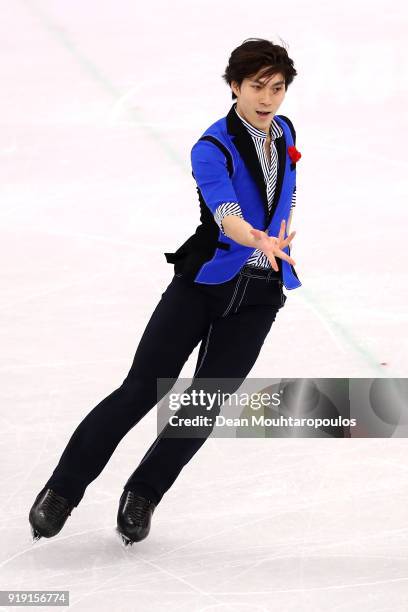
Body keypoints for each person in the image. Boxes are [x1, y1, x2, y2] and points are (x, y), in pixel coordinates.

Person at [29, 37, 302, 546]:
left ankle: (144, 494)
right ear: (234, 87)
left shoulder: (285, 131)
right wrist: (255, 237)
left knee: (205, 403)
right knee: (140, 390)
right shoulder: (212, 146)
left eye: (278, 88)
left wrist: (278, 239)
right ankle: (62, 491)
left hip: (260, 290)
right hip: (203, 283)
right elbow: (226, 213)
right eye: (257, 87)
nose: (268, 98)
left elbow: (282, 193)